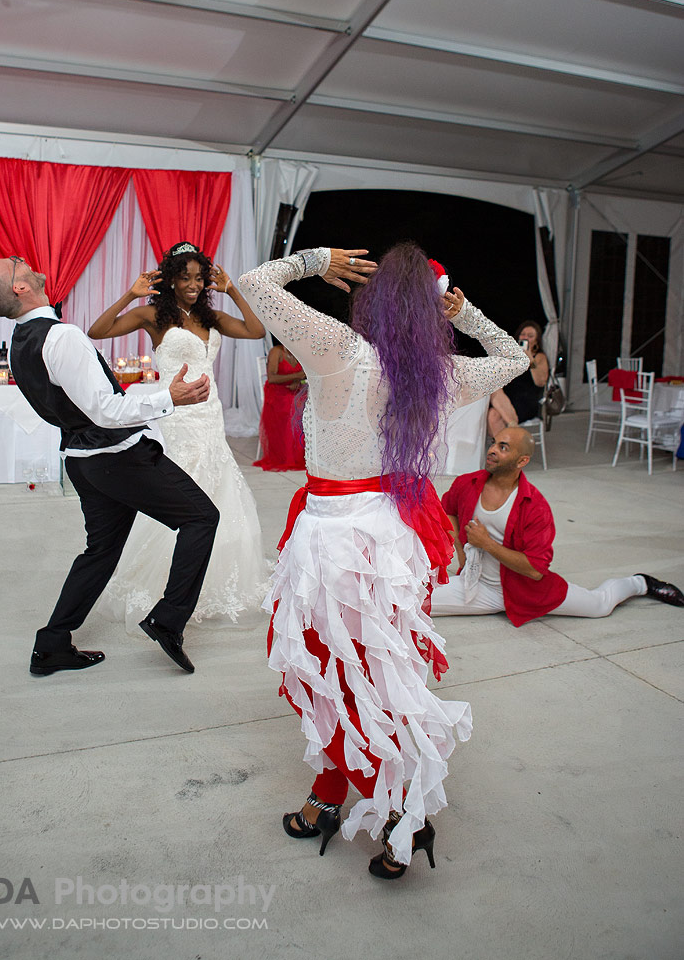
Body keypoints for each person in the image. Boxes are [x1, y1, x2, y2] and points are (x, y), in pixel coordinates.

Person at [237, 244, 529, 881]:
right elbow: (514, 359)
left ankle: (399, 808)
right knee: (368, 677)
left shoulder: (341, 350)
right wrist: (468, 312)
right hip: (388, 539)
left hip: (334, 539)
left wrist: (316, 261)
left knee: (340, 673)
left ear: (370, 302)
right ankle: (351, 798)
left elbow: (254, 283)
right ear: (431, 315)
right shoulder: (438, 374)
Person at [0, 255, 220, 676]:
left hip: (83, 462)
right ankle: (168, 618)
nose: (25, 262)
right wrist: (169, 399)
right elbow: (105, 410)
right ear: (19, 288)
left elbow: (74, 407)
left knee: (100, 551)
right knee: (201, 518)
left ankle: (52, 643)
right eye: (17, 264)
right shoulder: (61, 337)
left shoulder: (20, 342)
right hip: (117, 458)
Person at [87, 241, 270, 626]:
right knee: (185, 493)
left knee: (220, 490)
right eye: (185, 277)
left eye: (199, 278)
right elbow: (97, 330)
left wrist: (232, 290)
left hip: (211, 415)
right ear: (169, 279)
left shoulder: (210, 317)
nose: (193, 284)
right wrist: (130, 295)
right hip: (179, 416)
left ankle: (209, 581)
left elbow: (255, 331)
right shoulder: (153, 315)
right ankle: (166, 584)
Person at [432, 426, 684, 622]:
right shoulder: (469, 482)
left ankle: (641, 583)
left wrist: (486, 544)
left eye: (504, 447)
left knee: (600, 605)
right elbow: (449, 510)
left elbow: (535, 569)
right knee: (409, 606)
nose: (493, 450)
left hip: (525, 590)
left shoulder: (534, 507)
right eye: (494, 443)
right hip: (475, 587)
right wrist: (463, 552)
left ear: (522, 461)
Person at [487, 319, 548, 437]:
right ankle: (512, 430)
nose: (525, 338)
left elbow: (540, 382)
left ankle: (504, 447)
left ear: (536, 341)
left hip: (526, 399)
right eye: (523, 334)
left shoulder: (540, 357)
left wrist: (530, 358)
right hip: (506, 399)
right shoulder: (511, 356)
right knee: (493, 389)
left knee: (493, 416)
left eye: (530, 336)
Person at [253, 339, 306, 471]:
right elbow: (272, 378)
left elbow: (307, 375)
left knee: (311, 405)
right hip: (277, 392)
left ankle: (310, 453)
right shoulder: (277, 352)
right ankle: (288, 455)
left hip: (296, 389)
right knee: (292, 405)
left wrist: (298, 381)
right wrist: (297, 375)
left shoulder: (300, 353)